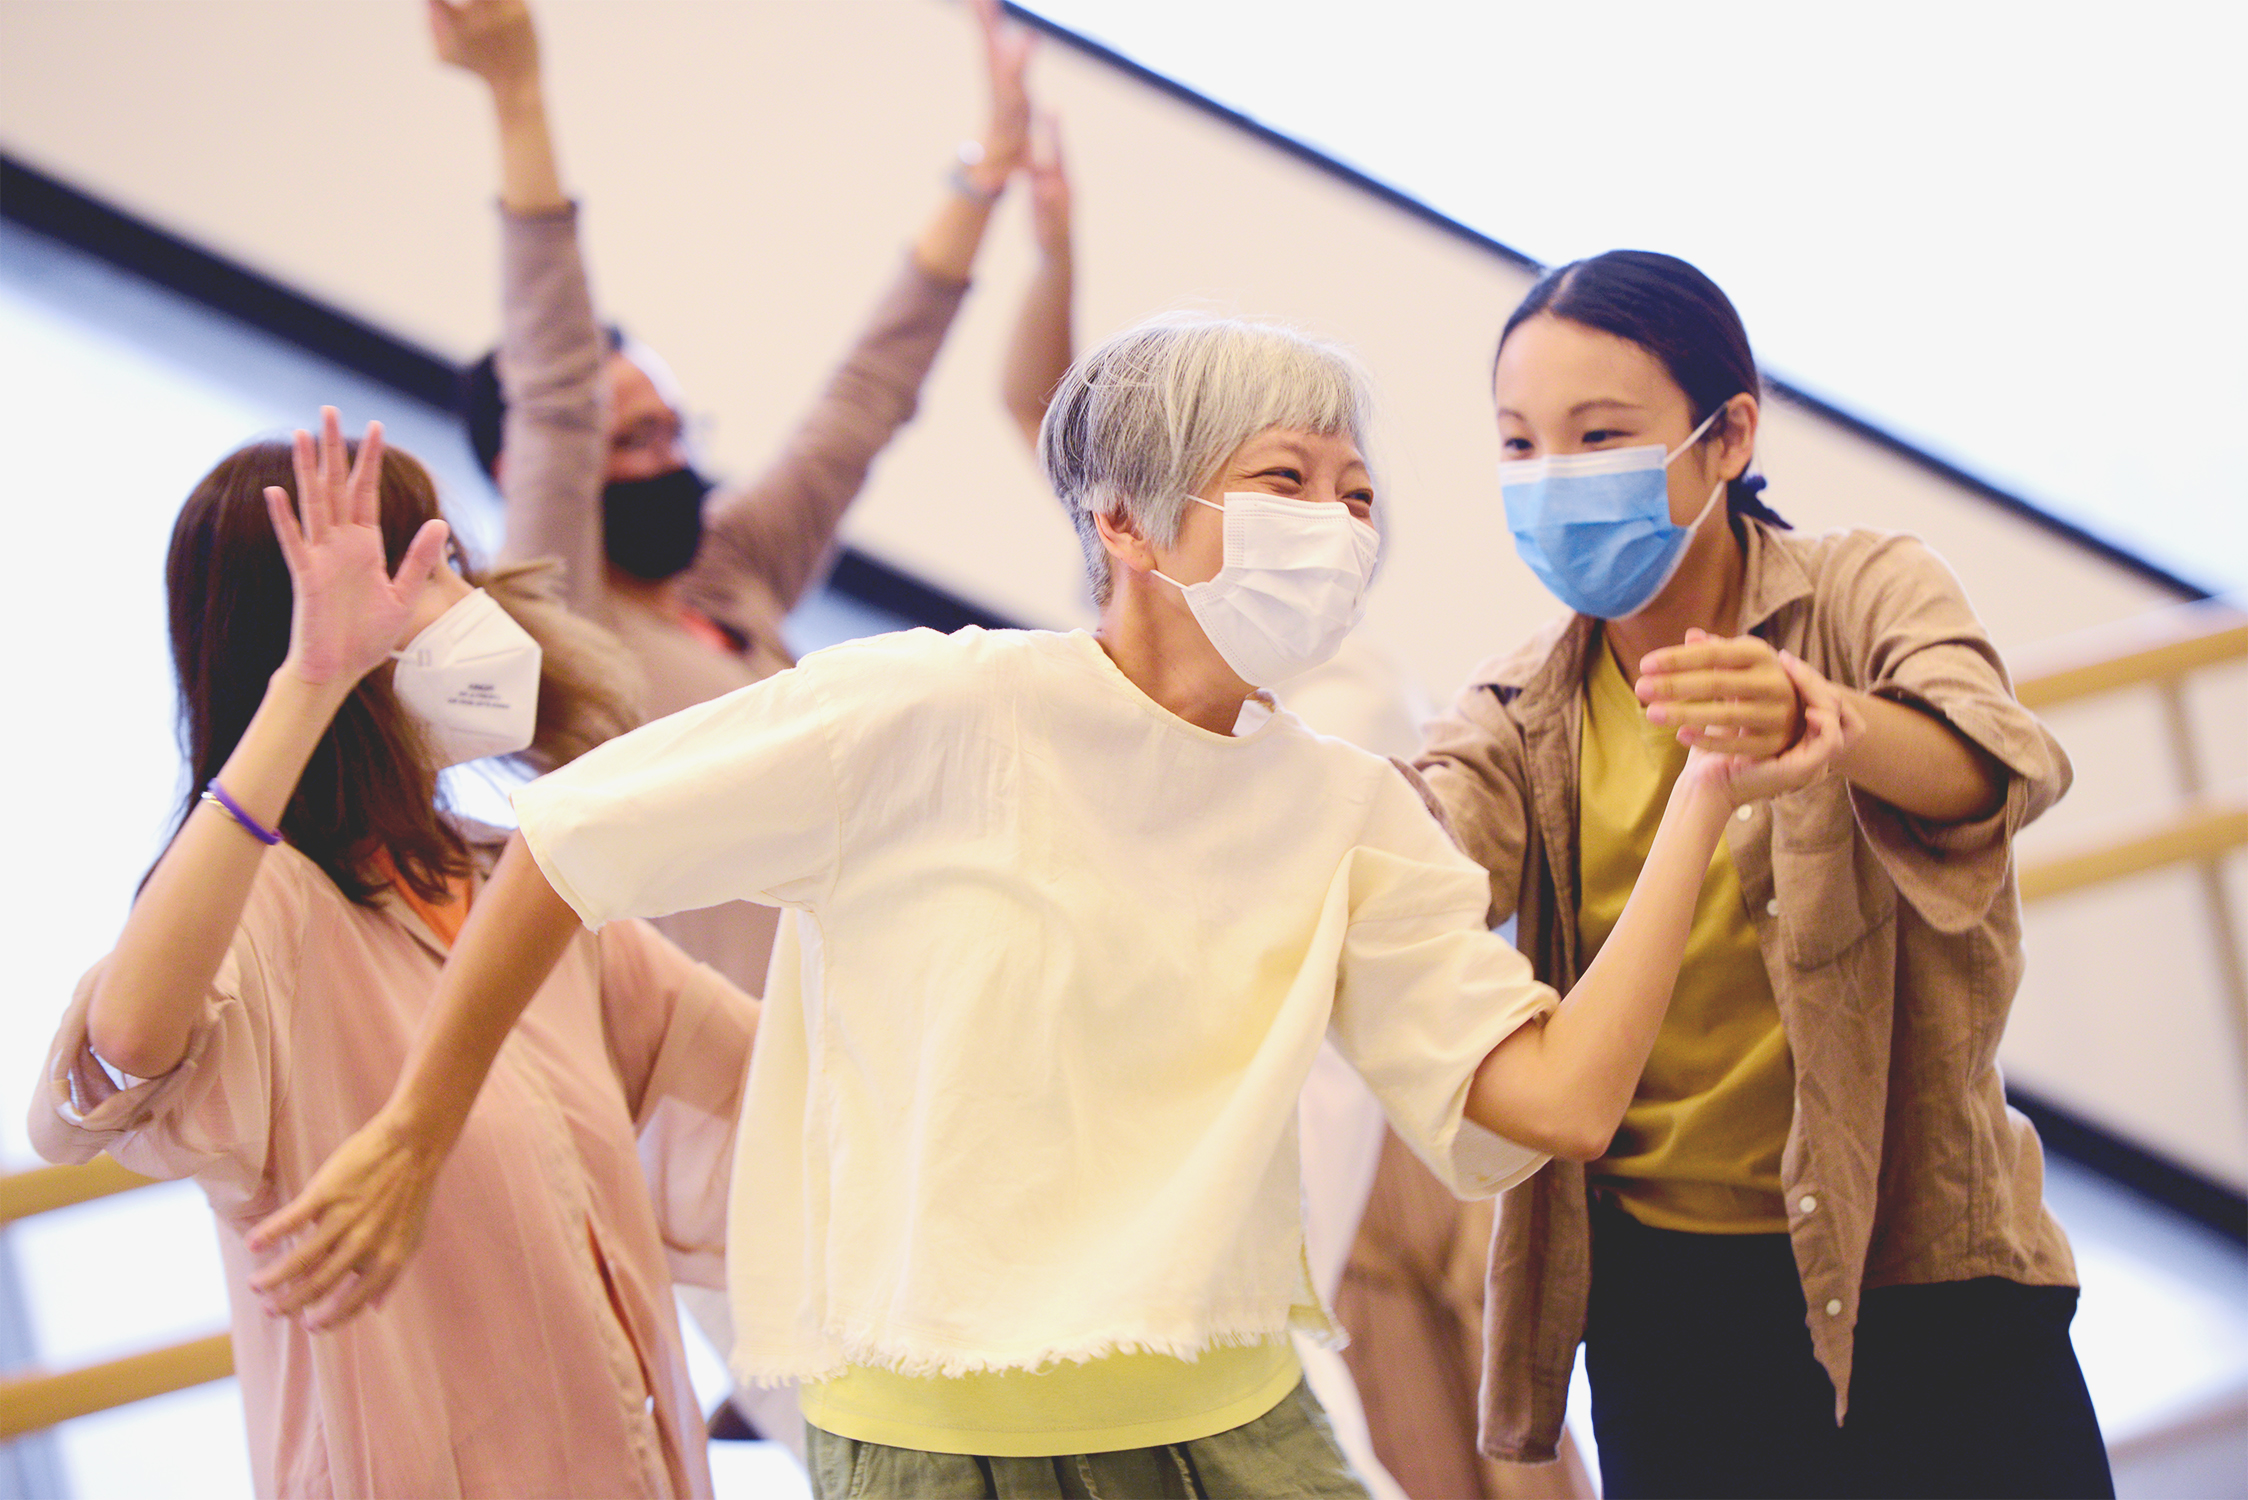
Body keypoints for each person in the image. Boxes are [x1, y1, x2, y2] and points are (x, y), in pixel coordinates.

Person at [244, 316, 1851, 1498]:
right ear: (1125, 525)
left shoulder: (1347, 809)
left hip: (1231, 1421)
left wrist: (1706, 794)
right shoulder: (932, 714)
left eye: (1357, 492)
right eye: (1286, 477)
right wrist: (412, 1127)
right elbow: (573, 839)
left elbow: (1560, 1098)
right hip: (944, 1442)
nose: (1338, 522)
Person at [1417, 249, 2111, 1497]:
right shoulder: (1516, 711)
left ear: (1726, 434)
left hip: (1924, 1254)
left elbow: (1998, 766)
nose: (1553, 479)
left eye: (1600, 434)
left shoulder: (1862, 590)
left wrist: (1830, 720)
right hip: (1671, 1301)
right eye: (1520, 445)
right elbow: (1420, 867)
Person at [29, 411, 758, 1499]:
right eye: (412, 570)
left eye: (449, 558)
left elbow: (767, 1067)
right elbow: (129, 1043)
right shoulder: (269, 906)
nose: (462, 604)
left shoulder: (517, 877)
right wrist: (314, 680)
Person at [442, 0, 1038, 1003]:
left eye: (676, 428)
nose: (671, 458)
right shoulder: (559, 627)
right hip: (731, 1079)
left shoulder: (729, 569)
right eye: (631, 438)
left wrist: (981, 182)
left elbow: (864, 399)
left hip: (880, 1011)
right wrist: (517, 93)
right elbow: (553, 392)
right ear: (532, 473)